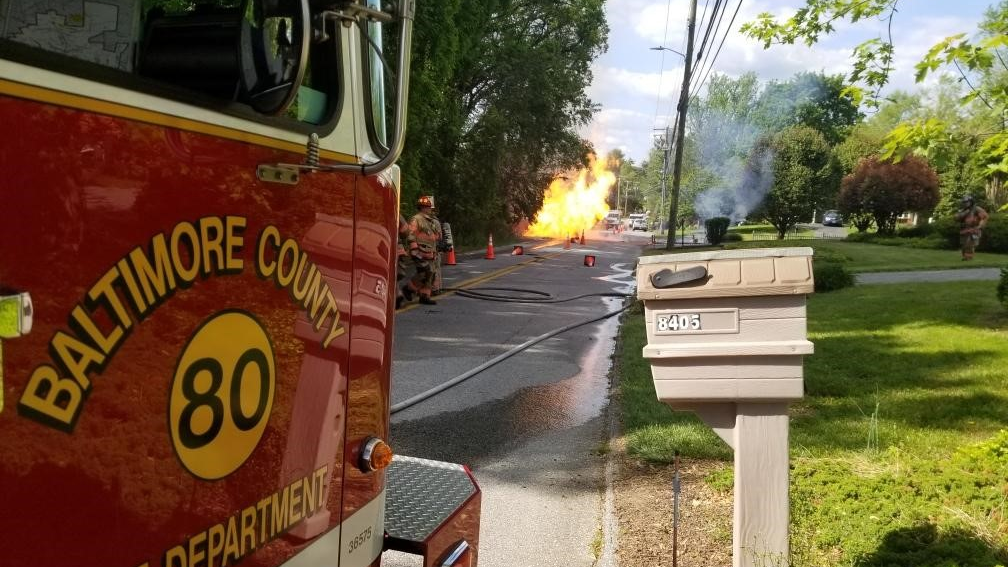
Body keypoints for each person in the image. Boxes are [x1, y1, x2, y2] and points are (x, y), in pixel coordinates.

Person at [402, 195, 442, 305]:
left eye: (430, 207)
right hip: (419, 251)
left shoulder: (430, 221)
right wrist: (413, 248)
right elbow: (411, 234)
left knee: (431, 274)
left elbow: (434, 236)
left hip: (430, 252)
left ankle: (425, 296)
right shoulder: (417, 219)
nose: (429, 209)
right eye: (428, 207)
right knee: (425, 271)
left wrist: (439, 242)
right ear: (422, 208)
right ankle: (409, 288)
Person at [955, 195, 989, 261]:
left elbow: (984, 217)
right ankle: (965, 257)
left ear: (971, 202)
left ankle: (968, 258)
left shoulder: (977, 209)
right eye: (964, 202)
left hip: (973, 230)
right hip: (964, 230)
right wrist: (964, 213)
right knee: (964, 246)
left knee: (969, 245)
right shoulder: (963, 210)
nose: (965, 203)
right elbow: (956, 217)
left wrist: (980, 226)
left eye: (967, 202)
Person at [394, 214, 410, 309]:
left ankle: (397, 295)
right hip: (396, 248)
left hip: (378, 248)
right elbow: (405, 231)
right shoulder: (396, 213)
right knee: (396, 275)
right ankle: (397, 295)